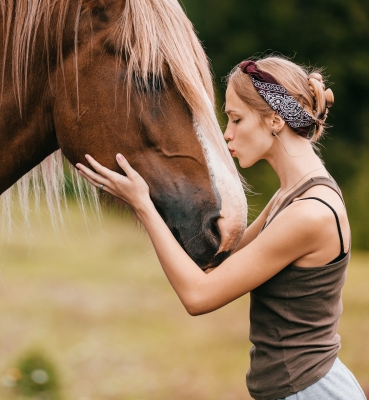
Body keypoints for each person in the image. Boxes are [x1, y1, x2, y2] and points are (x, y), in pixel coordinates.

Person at [76, 56, 366, 400]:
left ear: (275, 120)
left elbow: (199, 296)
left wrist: (142, 205)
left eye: (236, 119)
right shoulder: (290, 197)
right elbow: (216, 265)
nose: (227, 133)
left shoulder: (309, 214)